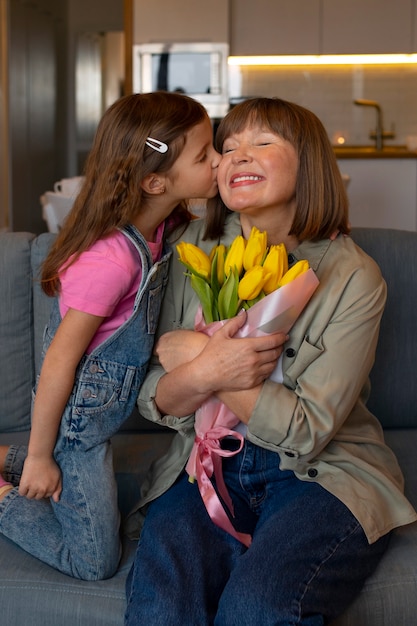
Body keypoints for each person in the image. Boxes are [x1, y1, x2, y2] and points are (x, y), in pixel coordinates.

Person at [124, 97, 417, 625]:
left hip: (322, 475)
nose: (237, 157)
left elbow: (308, 429)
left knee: (258, 609)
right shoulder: (194, 248)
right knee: (161, 606)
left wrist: (203, 360)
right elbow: (152, 396)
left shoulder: (354, 276)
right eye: (228, 147)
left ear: (309, 163)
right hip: (206, 465)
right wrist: (199, 372)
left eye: (261, 143)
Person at [0, 90, 221, 581]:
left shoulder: (160, 227)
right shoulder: (110, 260)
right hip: (78, 431)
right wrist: (40, 456)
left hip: (96, 426)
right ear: (154, 181)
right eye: (205, 155)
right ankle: (9, 481)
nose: (218, 161)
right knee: (96, 561)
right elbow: (58, 363)